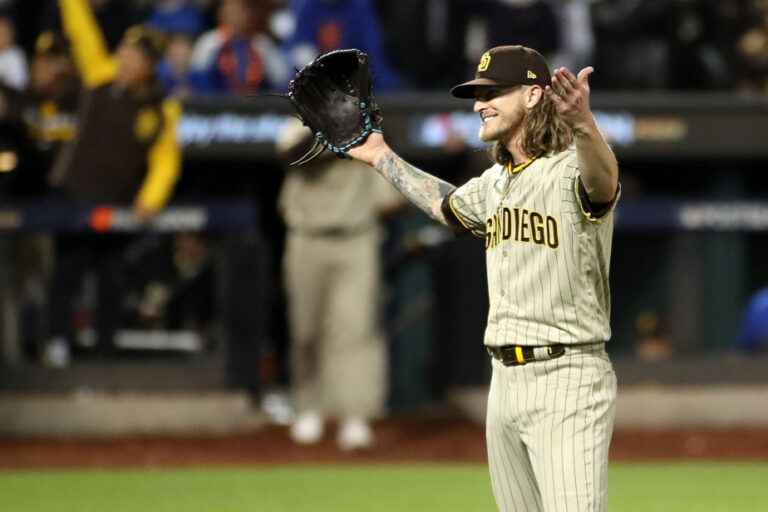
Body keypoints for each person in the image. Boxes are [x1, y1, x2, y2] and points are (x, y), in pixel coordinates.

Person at [347, 45, 620, 510]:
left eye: (493, 92)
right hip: (504, 383)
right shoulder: (495, 182)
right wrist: (380, 155)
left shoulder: (570, 167)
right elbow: (445, 204)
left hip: (568, 376)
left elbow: (604, 180)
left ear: (534, 96)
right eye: (477, 94)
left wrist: (582, 122)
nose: (479, 104)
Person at [42, 0, 182, 366]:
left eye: (135, 56)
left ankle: (106, 348)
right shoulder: (97, 75)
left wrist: (151, 199)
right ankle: (57, 341)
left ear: (149, 66)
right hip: (72, 195)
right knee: (66, 272)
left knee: (110, 277)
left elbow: (164, 161)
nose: (125, 58)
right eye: (125, 50)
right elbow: (80, 28)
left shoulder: (158, 108)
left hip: (116, 202)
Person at [276, 118, 402, 450]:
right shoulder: (300, 124)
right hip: (306, 237)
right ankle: (308, 408)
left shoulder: (366, 128)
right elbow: (290, 154)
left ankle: (355, 415)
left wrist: (357, 139)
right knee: (306, 329)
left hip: (356, 239)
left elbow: (392, 198)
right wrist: (334, 138)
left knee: (356, 328)